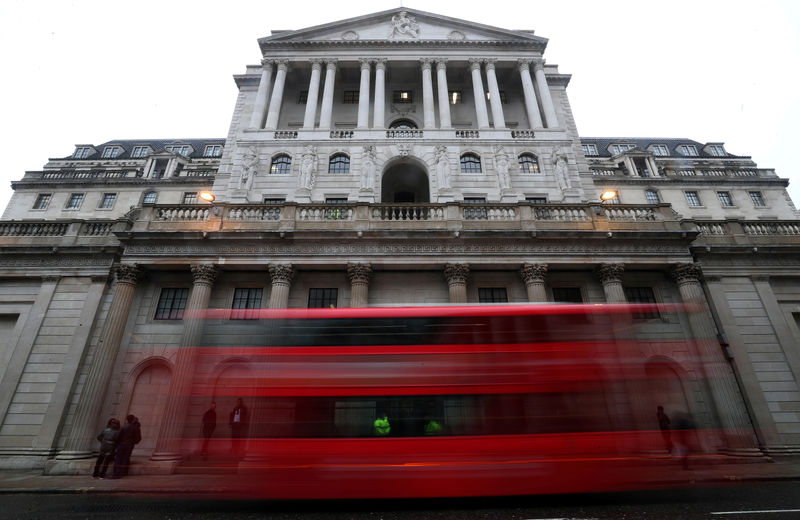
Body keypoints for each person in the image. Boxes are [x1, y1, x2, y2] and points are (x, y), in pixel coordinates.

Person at [111, 415, 141, 479]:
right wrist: (134, 442)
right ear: (132, 419)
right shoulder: (134, 427)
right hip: (129, 445)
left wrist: (117, 443)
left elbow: (118, 436)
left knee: (118, 459)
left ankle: (116, 473)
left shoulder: (123, 427)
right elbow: (137, 437)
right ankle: (122, 473)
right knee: (125, 458)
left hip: (122, 444)